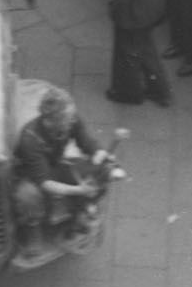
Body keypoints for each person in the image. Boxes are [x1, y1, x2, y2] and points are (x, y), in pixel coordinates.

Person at [9, 85, 114, 263]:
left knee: (96, 173)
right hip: (30, 176)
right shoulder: (30, 139)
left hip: (54, 165)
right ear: (48, 121)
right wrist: (79, 190)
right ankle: (32, 228)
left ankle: (80, 215)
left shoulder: (70, 119)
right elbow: (45, 183)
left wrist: (99, 153)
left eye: (71, 117)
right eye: (66, 119)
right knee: (28, 196)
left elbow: (86, 141)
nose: (71, 121)